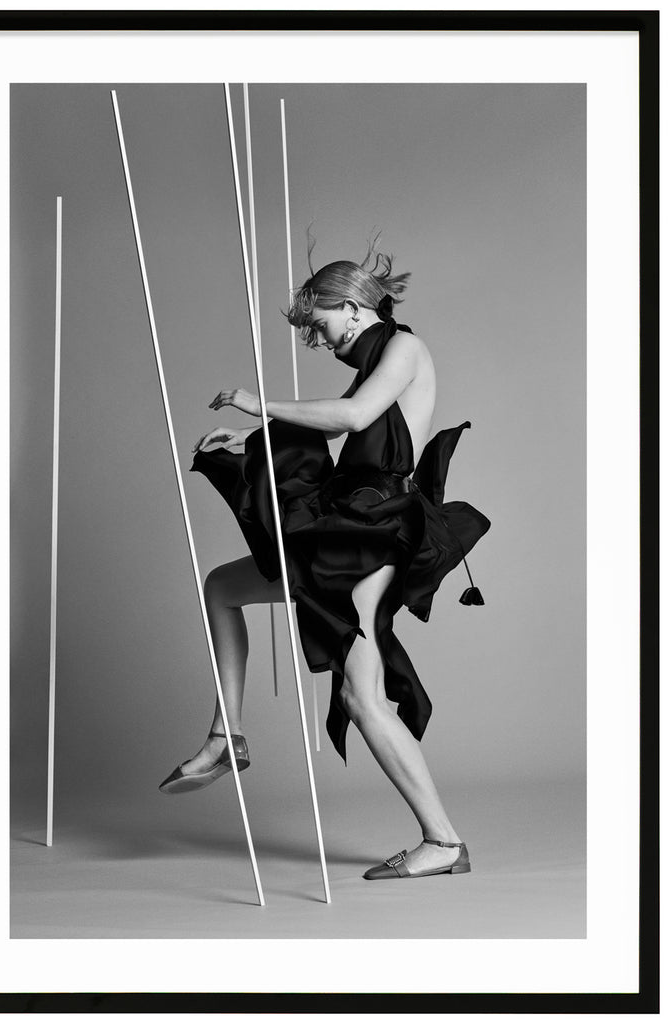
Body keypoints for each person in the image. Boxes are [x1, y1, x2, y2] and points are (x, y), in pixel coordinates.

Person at [159, 237, 490, 880]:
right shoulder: (373, 361)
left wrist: (260, 402)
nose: (317, 337)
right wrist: (253, 437)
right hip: (350, 524)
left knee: (362, 696)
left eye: (320, 323)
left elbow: (354, 414)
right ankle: (227, 737)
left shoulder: (404, 347)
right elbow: (340, 425)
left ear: (354, 306)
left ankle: (444, 842)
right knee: (223, 588)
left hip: (376, 530)